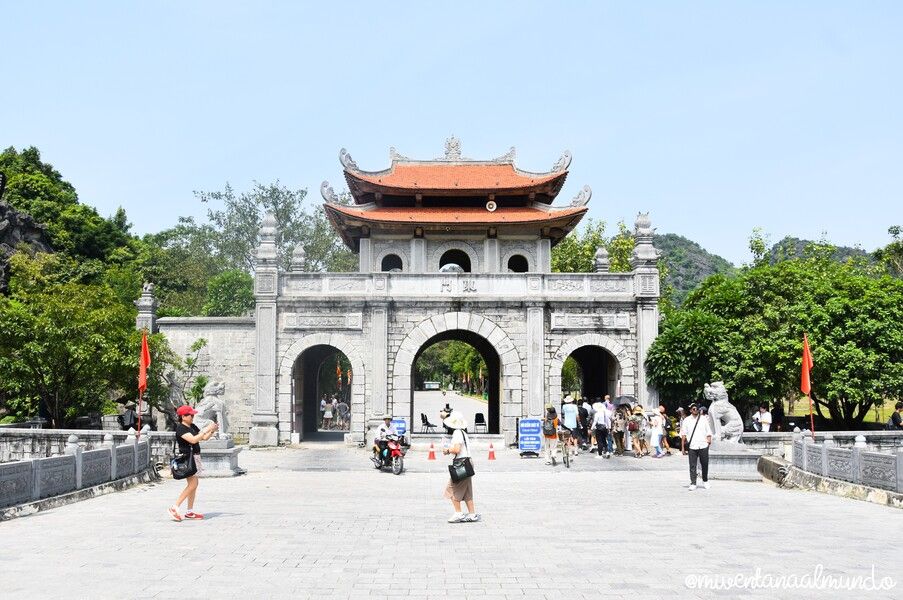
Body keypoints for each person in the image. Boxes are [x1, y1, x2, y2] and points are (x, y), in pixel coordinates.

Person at [168, 405, 218, 521]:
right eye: (190, 415)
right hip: (187, 458)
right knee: (193, 485)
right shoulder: (181, 428)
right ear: (183, 417)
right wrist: (206, 428)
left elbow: (203, 438)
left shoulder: (192, 426)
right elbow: (193, 440)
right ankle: (175, 507)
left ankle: (190, 511)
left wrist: (211, 431)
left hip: (195, 457)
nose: (193, 416)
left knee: (194, 486)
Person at [442, 411, 479, 523]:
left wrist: (447, 450)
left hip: (461, 463)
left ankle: (458, 513)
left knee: (452, 488)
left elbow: (457, 450)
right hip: (468, 462)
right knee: (467, 490)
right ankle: (472, 514)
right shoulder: (463, 432)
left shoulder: (457, 433)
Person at [680, 403, 714, 491]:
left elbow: (708, 431)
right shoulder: (686, 420)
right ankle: (693, 482)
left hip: (703, 444)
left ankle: (705, 480)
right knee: (692, 465)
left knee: (705, 464)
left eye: (697, 409)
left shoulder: (703, 419)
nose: (695, 410)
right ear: (691, 410)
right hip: (692, 445)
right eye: (693, 409)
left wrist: (709, 439)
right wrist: (683, 448)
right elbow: (683, 434)